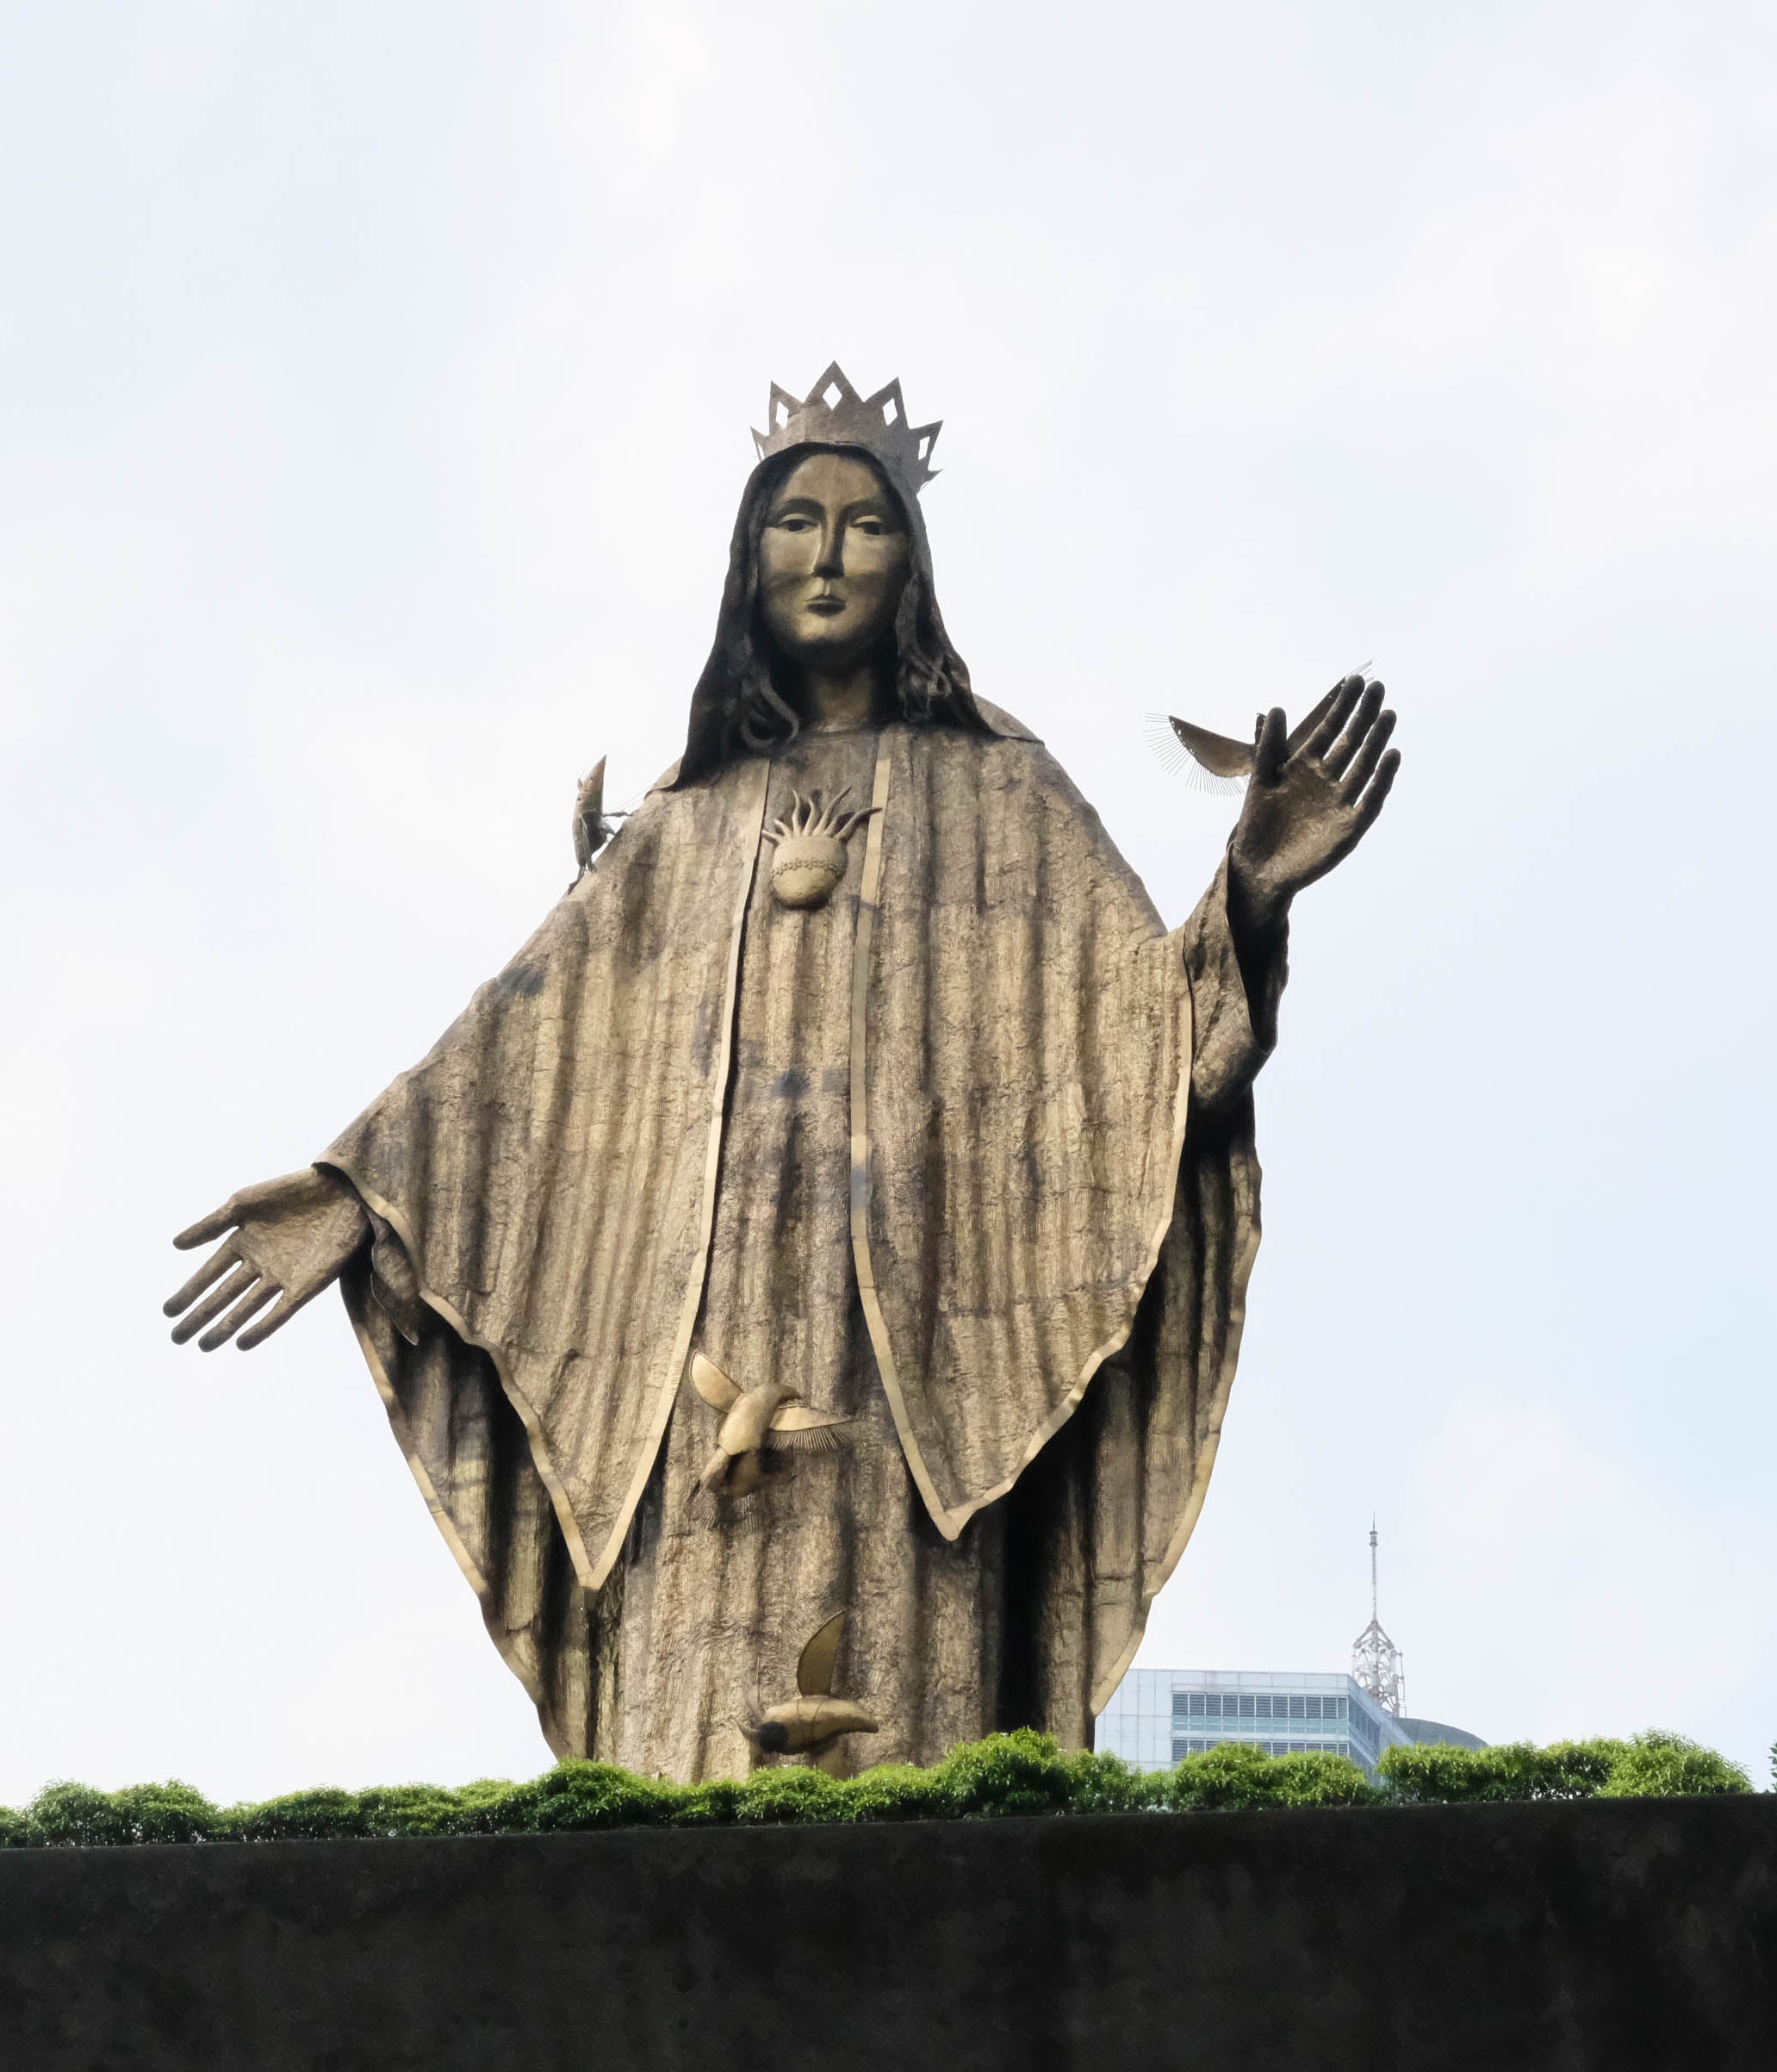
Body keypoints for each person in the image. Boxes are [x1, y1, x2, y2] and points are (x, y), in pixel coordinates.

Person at [165, 367, 1396, 1781]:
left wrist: (1247, 893)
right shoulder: (680, 828)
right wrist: (362, 1192)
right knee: (688, 1722)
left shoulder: (1001, 794)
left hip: (921, 1356)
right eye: (794, 522)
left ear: (910, 563)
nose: (824, 556)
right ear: (747, 565)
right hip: (695, 1336)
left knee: (899, 1727)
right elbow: (520, 1063)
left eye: (862, 525)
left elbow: (1143, 1045)